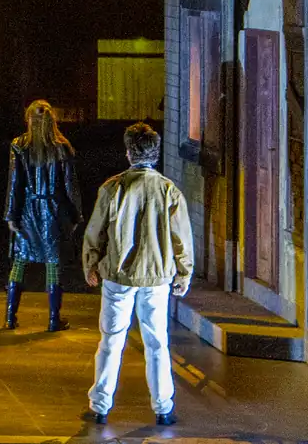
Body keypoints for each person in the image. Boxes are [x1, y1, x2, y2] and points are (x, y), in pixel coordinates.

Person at [81, 122, 192, 428]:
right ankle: (163, 407)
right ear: (155, 154)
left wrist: (91, 264)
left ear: (129, 153)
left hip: (118, 276)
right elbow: (181, 237)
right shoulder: (169, 190)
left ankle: (101, 405)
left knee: (111, 342)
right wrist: (183, 272)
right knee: (157, 343)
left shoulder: (112, 188)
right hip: (157, 278)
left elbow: (95, 231)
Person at [3, 99, 83, 331]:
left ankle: (10, 317)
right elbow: (70, 185)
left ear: (29, 119)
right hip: (54, 211)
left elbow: (15, 183)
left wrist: (11, 215)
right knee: (52, 263)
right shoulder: (62, 147)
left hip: (28, 211)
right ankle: (53, 319)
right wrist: (76, 214)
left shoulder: (19, 145)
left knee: (19, 261)